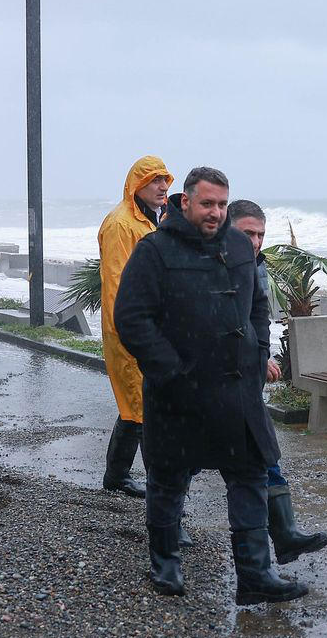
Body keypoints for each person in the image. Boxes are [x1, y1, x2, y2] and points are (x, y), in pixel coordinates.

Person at [113, 167, 307, 605]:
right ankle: (165, 566)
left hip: (236, 391)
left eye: (222, 204)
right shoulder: (154, 251)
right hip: (177, 394)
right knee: (168, 480)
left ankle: (255, 576)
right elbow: (130, 317)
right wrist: (169, 371)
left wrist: (258, 353)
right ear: (185, 202)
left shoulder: (238, 245)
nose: (216, 212)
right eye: (207, 204)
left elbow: (258, 305)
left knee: (251, 476)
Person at [227, 198, 327, 562]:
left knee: (259, 454)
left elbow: (256, 320)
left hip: (245, 381)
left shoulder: (256, 266)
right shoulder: (213, 263)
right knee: (191, 460)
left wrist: (263, 355)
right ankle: (167, 526)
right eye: (247, 233)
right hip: (215, 382)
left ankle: (280, 540)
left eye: (260, 235)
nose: (255, 242)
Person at [98, 156, 173, 498]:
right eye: (155, 180)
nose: (162, 186)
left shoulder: (153, 220)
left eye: (165, 180)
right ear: (136, 184)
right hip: (129, 332)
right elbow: (115, 283)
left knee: (136, 406)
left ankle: (116, 476)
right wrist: (128, 334)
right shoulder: (120, 225)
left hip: (150, 329)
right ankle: (162, 493)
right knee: (141, 408)